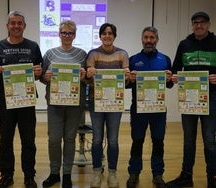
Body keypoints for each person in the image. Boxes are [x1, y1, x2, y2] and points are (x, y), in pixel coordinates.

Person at [0, 11, 43, 188]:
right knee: (5, 139)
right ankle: (6, 175)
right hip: (5, 101)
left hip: (26, 101)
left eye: (20, 23)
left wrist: (38, 74)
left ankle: (29, 176)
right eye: (13, 23)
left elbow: (37, 75)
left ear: (24, 26)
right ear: (7, 26)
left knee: (28, 140)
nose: (16, 26)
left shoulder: (33, 46)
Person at [166, 11, 216, 188]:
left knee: (209, 140)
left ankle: (213, 177)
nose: (199, 25)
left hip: (211, 98)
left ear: (209, 24)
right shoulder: (184, 44)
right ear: (192, 25)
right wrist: (172, 77)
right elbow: (176, 68)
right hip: (189, 99)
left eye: (202, 22)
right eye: (195, 22)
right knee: (188, 139)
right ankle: (186, 176)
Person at [40, 20, 87, 188]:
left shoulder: (82, 54)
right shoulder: (50, 53)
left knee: (69, 138)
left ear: (74, 35)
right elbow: (42, 77)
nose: (67, 36)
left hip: (75, 103)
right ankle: (54, 173)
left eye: (70, 33)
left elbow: (88, 78)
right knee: (53, 139)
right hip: (54, 103)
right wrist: (45, 77)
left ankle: (66, 174)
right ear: (59, 34)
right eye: (64, 33)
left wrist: (84, 76)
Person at [125, 26, 173, 188]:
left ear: (157, 40)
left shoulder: (165, 59)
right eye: (146, 37)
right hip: (139, 109)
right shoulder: (133, 59)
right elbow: (126, 85)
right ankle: (134, 172)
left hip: (158, 110)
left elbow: (170, 84)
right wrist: (130, 79)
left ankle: (158, 174)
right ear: (141, 39)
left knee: (158, 141)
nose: (148, 41)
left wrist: (169, 79)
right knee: (137, 141)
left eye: (152, 38)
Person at [86, 23, 130, 188]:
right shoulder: (93, 54)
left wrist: (127, 76)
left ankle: (112, 172)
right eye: (104, 33)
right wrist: (89, 74)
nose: (107, 36)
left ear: (114, 35)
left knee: (113, 140)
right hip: (96, 102)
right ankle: (97, 171)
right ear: (100, 36)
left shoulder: (122, 54)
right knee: (97, 139)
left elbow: (126, 81)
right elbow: (87, 80)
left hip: (114, 103)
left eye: (110, 33)